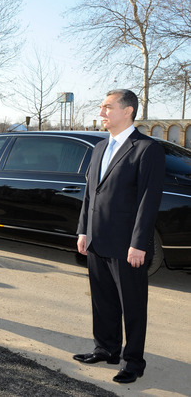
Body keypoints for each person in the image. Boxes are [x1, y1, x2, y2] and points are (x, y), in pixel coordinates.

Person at [73, 89, 165, 384]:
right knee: (102, 300)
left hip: (128, 246)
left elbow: (148, 201)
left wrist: (139, 244)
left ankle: (133, 361)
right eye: (102, 107)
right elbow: (90, 194)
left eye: (107, 107)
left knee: (132, 306)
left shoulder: (146, 149)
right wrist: (83, 230)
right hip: (97, 239)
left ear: (127, 111)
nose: (102, 113)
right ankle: (106, 348)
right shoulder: (99, 148)